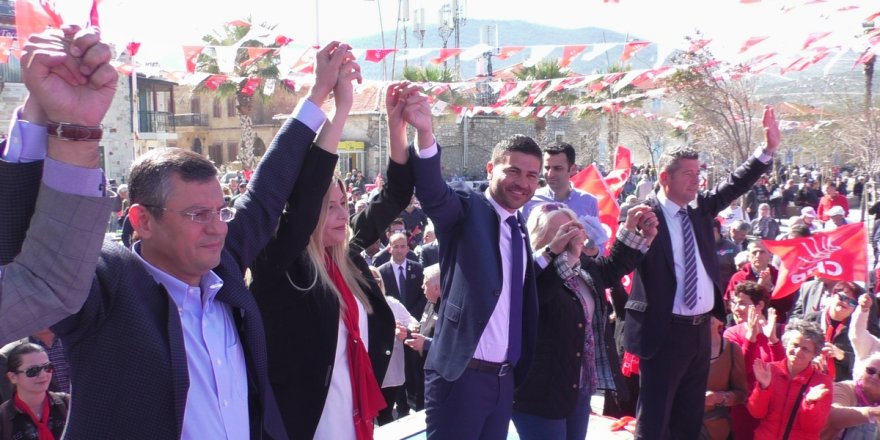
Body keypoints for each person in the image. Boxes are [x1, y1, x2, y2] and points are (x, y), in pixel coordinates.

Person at [0, 28, 352, 439]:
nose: (217, 226)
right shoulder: (106, 287)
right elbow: (27, 256)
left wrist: (318, 96)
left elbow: (267, 192)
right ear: (142, 220)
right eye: (197, 214)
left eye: (220, 210)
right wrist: (39, 113)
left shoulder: (222, 265)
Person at [248, 71, 413, 439]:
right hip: (308, 426)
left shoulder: (346, 254)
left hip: (356, 418)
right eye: (330, 207)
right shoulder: (280, 266)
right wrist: (340, 110)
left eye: (343, 204)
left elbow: (396, 195)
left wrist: (396, 125)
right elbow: (306, 199)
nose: (342, 215)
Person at [623, 105, 780, 440]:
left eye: (699, 173)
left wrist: (766, 150)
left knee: (689, 421)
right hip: (664, 333)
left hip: (701, 332)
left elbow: (735, 184)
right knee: (654, 422)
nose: (697, 180)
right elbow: (619, 264)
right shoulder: (644, 216)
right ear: (665, 178)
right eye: (688, 174)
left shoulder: (700, 209)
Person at [404, 80, 542, 438]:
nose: (522, 183)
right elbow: (433, 193)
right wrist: (425, 133)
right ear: (490, 168)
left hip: (503, 381)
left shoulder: (519, 228)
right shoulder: (468, 208)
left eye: (532, 176)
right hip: (460, 377)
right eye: (513, 171)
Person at [511, 202, 656, 440]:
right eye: (561, 231)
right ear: (541, 236)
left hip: (577, 386)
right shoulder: (529, 271)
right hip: (540, 393)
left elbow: (611, 268)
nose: (569, 236)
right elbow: (537, 295)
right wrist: (565, 257)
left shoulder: (582, 267)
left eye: (573, 229)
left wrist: (634, 231)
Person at [749, 320, 833, 440]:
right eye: (795, 345)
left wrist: (809, 403)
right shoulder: (770, 370)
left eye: (805, 349)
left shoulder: (822, 382)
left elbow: (813, 427)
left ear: (814, 353)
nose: (798, 351)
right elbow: (756, 413)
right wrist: (763, 388)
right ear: (786, 344)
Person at [723, 282, 783, 440]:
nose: (736, 308)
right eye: (734, 303)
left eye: (742, 303)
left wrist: (773, 340)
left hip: (776, 410)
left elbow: (784, 372)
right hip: (745, 410)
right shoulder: (732, 333)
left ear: (759, 305)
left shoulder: (781, 330)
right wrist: (751, 338)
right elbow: (740, 371)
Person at [378, 232, 426, 412]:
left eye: (402, 246)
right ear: (389, 248)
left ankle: (414, 397)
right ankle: (401, 403)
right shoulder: (382, 272)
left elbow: (423, 296)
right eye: (395, 246)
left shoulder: (418, 269)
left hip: (412, 327)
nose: (399, 250)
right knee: (395, 367)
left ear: (408, 248)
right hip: (393, 331)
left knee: (413, 366)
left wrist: (410, 318)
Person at [370, 266, 418, 426]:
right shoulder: (356, 305)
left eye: (376, 280)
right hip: (366, 372)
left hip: (390, 373)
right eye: (367, 280)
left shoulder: (392, 304)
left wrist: (405, 330)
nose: (373, 284)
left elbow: (413, 323)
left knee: (385, 416)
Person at [0, 343, 70, 440]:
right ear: (13, 377)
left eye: (47, 367)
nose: (43, 375)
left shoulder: (69, 404)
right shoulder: (3, 419)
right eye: (32, 370)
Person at [521, 142, 599, 223]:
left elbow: (595, 231)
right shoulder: (529, 200)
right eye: (547, 168)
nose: (550, 174)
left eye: (557, 168)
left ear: (572, 169)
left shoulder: (589, 202)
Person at [702, 317, 748, 440]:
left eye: (713, 312)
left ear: (721, 320)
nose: (708, 316)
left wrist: (718, 398)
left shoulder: (732, 350)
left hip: (714, 430)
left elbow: (741, 394)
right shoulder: (681, 348)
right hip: (682, 427)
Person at [806, 282, 861, 383]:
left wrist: (842, 355)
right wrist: (810, 359)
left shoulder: (857, 330)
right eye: (842, 298)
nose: (845, 303)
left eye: (852, 302)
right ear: (833, 295)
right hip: (808, 377)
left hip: (839, 384)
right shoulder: (811, 319)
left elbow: (862, 363)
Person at [821, 352, 880, 440]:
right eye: (870, 371)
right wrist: (874, 413)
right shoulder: (844, 387)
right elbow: (833, 416)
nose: (874, 377)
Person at [405, 264, 441, 357]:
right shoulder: (430, 302)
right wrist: (408, 331)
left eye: (425, 284)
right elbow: (424, 327)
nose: (422, 287)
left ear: (436, 288)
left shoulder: (447, 309)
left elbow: (451, 345)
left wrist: (426, 343)